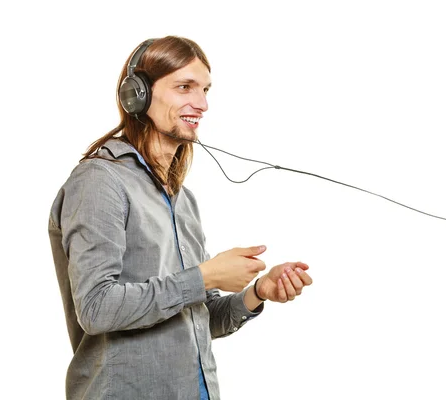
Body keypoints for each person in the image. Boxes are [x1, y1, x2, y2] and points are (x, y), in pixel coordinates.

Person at [48, 35, 313, 400]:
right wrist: (205, 275)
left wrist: (257, 293)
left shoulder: (182, 199)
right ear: (137, 95)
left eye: (205, 89)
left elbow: (199, 316)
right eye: (184, 87)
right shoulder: (99, 181)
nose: (202, 103)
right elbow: (97, 308)